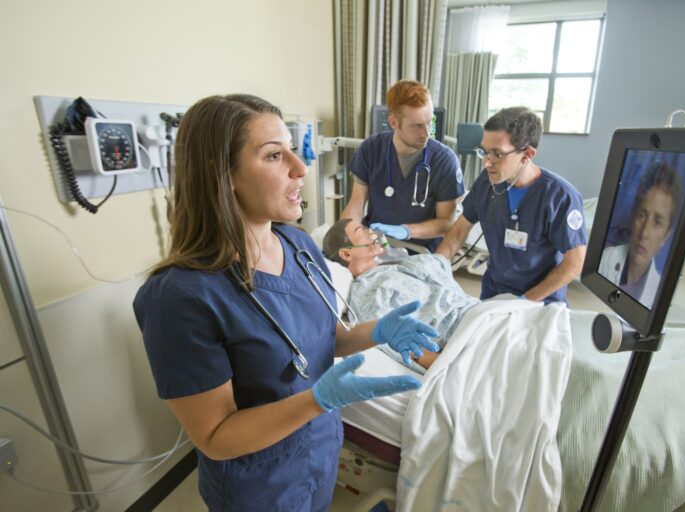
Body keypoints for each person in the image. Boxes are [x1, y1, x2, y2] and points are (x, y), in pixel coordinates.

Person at [132, 94, 440, 512]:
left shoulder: (297, 245)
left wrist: (378, 331)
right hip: (258, 486)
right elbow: (215, 438)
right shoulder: (180, 297)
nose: (301, 168)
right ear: (222, 175)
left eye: (292, 150)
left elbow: (327, 339)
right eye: (275, 155)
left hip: (319, 452)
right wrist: (317, 400)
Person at [436, 107, 587, 303]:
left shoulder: (560, 197)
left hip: (540, 302)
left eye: (497, 154)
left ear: (527, 155)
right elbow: (458, 232)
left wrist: (524, 301)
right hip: (494, 292)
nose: (487, 163)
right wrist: (435, 265)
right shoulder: (486, 183)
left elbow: (574, 264)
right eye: (484, 152)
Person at [323, 218, 480, 370]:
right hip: (467, 336)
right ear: (346, 254)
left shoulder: (391, 267)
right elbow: (399, 340)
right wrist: (455, 369)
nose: (370, 233)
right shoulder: (365, 291)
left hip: (479, 313)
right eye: (361, 231)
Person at [340, 80, 464, 252]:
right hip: (376, 246)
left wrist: (407, 231)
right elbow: (356, 205)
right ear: (393, 122)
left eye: (430, 122)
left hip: (421, 253)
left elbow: (446, 223)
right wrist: (344, 237)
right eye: (417, 126)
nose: (426, 133)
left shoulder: (444, 161)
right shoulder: (371, 149)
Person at [599, 162, 681, 309]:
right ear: (633, 217)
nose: (644, 233)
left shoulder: (658, 292)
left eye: (657, 223)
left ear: (666, 237)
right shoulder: (605, 259)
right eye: (642, 215)